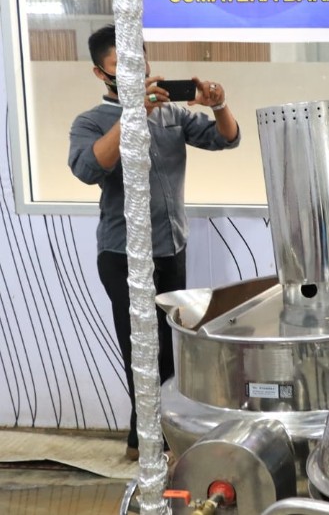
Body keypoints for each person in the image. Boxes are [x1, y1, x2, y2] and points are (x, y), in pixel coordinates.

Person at [68, 25, 240, 460]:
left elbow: (226, 138)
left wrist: (219, 104)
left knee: (170, 346)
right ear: (100, 73)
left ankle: (151, 437)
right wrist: (134, 114)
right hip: (122, 254)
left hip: (171, 248)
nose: (134, 69)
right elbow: (88, 169)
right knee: (140, 348)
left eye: (138, 60)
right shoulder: (90, 122)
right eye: (120, 65)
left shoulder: (171, 113)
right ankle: (148, 442)